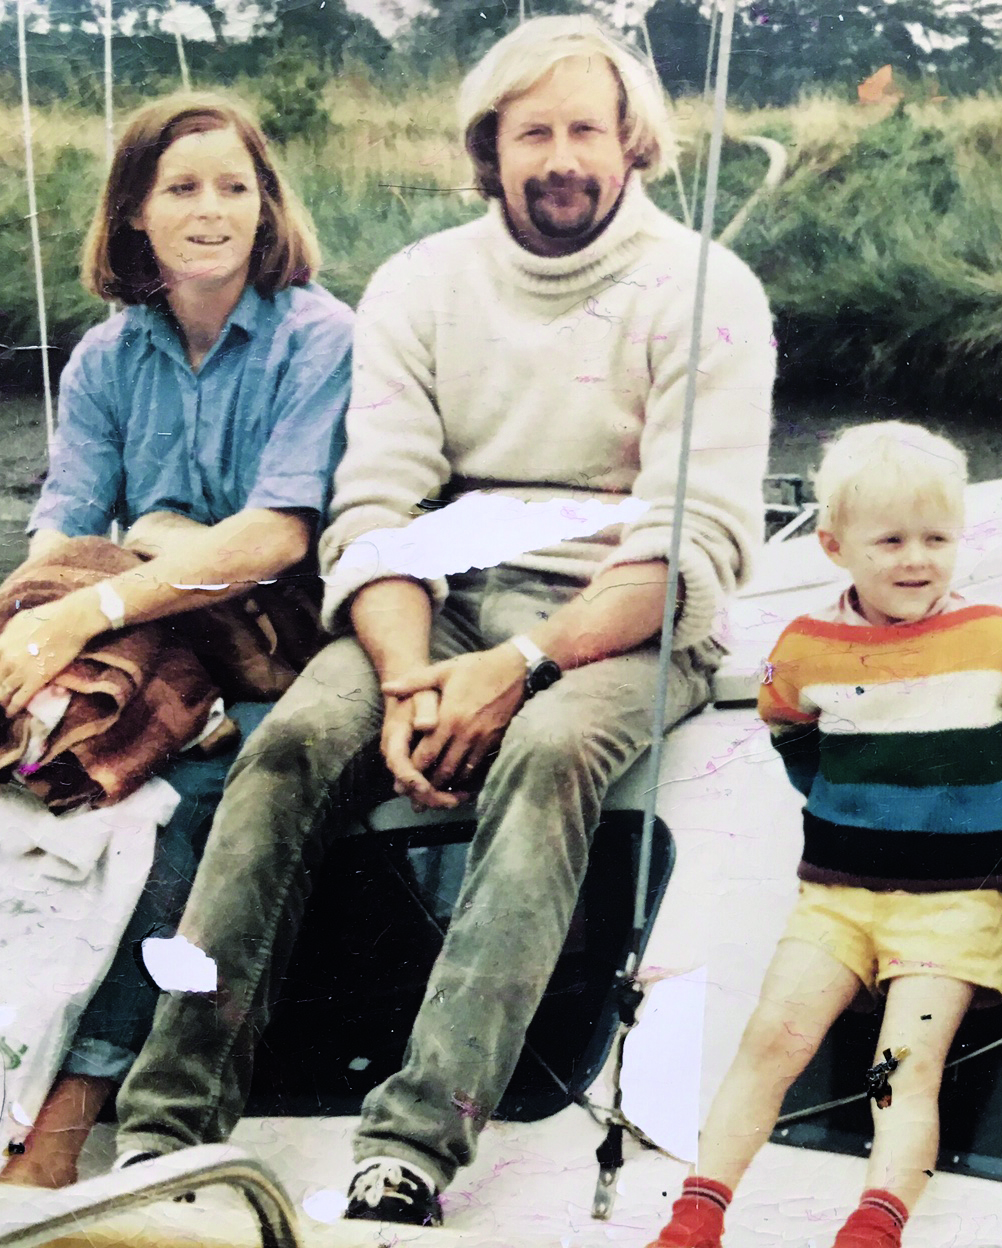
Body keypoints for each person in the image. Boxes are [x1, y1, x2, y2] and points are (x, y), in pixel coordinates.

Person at [109, 16, 776, 1227]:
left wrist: (516, 670)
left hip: (618, 615)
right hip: (438, 600)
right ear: (491, 150)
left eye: (586, 128)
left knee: (551, 750)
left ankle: (415, 1138)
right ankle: (165, 1129)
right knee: (290, 749)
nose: (561, 155)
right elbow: (377, 508)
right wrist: (414, 677)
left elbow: (694, 550)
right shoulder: (422, 282)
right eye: (534, 133)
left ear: (631, 143)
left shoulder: (704, 289)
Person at [0, 92, 351, 1187]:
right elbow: (64, 531)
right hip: (143, 653)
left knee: (161, 829)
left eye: (236, 186)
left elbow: (279, 535)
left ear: (267, 204)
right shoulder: (105, 358)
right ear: (132, 211)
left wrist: (95, 606)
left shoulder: (317, 338)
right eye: (181, 188)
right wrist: (24, 650)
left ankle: (61, 1130)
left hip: (276, 653)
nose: (212, 209)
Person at [647, 423, 1002, 1248]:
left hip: (953, 908)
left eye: (936, 538)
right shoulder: (802, 649)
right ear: (834, 546)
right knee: (772, 1037)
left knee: (902, 1072)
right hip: (836, 899)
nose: (916, 558)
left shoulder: (992, 637)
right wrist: (841, 801)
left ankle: (874, 1229)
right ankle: (696, 1215)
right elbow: (782, 720)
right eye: (889, 540)